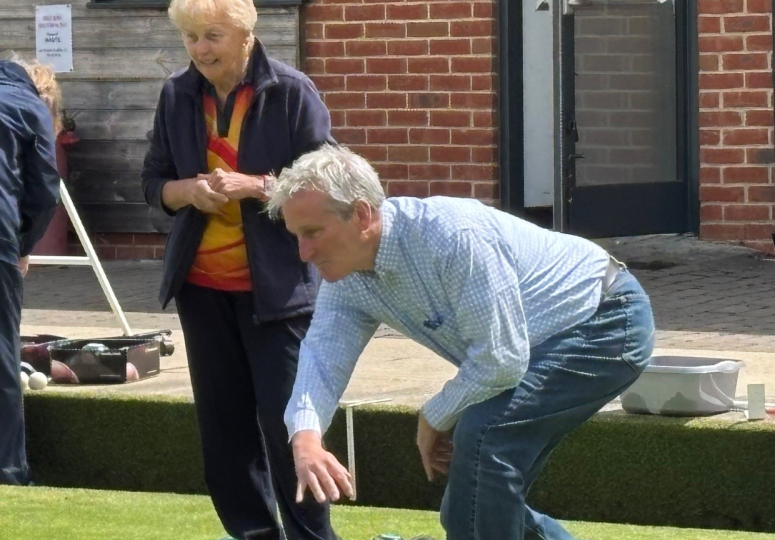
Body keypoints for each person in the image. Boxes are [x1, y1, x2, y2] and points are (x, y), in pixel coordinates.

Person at [270, 145, 656, 540]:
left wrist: (434, 415)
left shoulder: (450, 237)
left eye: (313, 232)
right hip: (537, 347)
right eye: (297, 236)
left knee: (483, 435)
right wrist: (305, 437)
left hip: (605, 320)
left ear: (363, 215)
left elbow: (500, 361)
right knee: (467, 511)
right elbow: (321, 358)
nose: (304, 252)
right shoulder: (348, 278)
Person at [140, 0, 336, 538]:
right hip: (201, 291)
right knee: (224, 436)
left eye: (213, 36)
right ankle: (251, 533)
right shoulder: (176, 94)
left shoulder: (293, 92)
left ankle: (311, 536)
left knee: (290, 429)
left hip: (277, 294)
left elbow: (330, 184)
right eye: (191, 38)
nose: (200, 49)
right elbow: (154, 181)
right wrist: (187, 191)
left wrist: (256, 186)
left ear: (247, 35)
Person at [0, 58, 62, 486]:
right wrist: (22, 248)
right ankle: (9, 471)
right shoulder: (29, 104)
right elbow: (44, 191)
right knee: (3, 358)